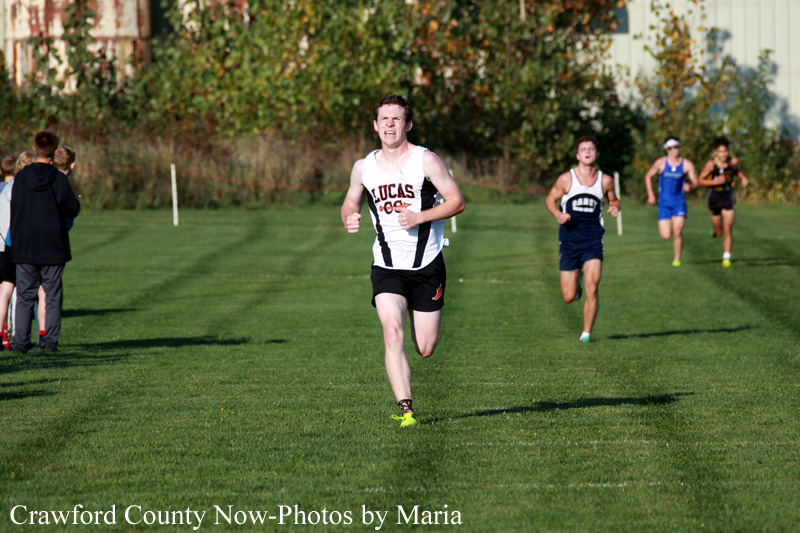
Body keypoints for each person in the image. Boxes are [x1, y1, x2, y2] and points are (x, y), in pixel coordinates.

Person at [341, 95, 465, 427]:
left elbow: (456, 201)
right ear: (375, 125)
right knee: (392, 330)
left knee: (425, 347)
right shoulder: (363, 167)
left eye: (396, 119)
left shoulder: (426, 161)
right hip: (386, 265)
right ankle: (406, 409)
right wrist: (349, 217)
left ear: (407, 124)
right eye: (384, 119)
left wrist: (419, 217)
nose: (390, 124)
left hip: (427, 264)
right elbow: (350, 203)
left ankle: (416, 311)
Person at [544, 135, 620, 343]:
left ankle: (586, 334)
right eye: (583, 149)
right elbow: (550, 199)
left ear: (597, 154)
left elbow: (614, 199)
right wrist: (558, 214)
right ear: (578, 155)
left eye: (591, 149)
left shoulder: (605, 180)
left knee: (592, 287)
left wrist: (615, 207)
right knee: (568, 297)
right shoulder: (566, 179)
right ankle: (576, 282)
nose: (587, 152)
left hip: (593, 240)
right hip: (569, 241)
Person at [10, 131, 81, 354]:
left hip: (25, 245)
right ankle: (49, 342)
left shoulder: (21, 177)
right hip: (52, 246)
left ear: (34, 148)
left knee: (25, 296)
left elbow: (15, 206)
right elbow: (72, 209)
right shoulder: (59, 179)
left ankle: (20, 342)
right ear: (55, 151)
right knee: (52, 296)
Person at [644, 136, 699, 267]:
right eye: (670, 148)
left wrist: (690, 186)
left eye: (676, 147)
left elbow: (696, 182)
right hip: (664, 204)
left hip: (679, 202)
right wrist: (651, 195)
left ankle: (677, 259)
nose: (673, 150)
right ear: (666, 149)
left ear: (680, 147)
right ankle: (675, 252)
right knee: (666, 236)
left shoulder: (687, 164)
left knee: (678, 231)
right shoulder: (661, 163)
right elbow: (648, 176)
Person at [697, 136, 750, 268]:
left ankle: (726, 257)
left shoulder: (732, 162)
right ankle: (716, 231)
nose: (724, 154)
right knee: (719, 231)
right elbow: (700, 180)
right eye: (721, 152)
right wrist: (715, 182)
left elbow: (735, 171)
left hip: (728, 195)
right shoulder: (711, 165)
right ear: (716, 152)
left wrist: (743, 178)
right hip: (714, 196)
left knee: (728, 228)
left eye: (725, 151)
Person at [0, 154, 19, 349]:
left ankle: (3, 333)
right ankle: (14, 334)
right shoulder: (19, 190)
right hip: (10, 244)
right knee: (13, 292)